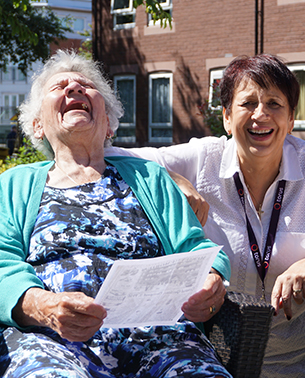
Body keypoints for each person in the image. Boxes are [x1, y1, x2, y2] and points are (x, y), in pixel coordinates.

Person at [106, 54, 305, 377]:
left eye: (275, 104)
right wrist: (171, 178)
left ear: (292, 119)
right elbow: (105, 153)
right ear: (226, 117)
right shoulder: (202, 159)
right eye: (248, 103)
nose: (261, 115)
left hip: (296, 355)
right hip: (209, 349)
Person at [0, 50, 232, 378]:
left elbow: (196, 250)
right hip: (50, 338)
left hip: (160, 338)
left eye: (85, 85)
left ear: (109, 124)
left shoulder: (149, 178)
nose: (75, 89)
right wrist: (43, 306)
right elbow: (2, 264)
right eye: (59, 87)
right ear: (37, 126)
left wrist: (211, 281)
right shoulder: (14, 185)